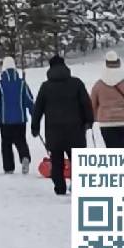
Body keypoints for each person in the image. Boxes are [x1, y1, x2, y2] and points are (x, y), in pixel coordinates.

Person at [31, 55, 94, 195]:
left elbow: (38, 109)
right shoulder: (77, 83)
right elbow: (86, 104)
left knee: (57, 161)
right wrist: (89, 120)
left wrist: (34, 126)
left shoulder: (45, 87)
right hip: (76, 130)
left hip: (54, 132)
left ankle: (60, 188)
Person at [0, 57, 34, 174]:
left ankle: (9, 168)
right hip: (20, 119)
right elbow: (29, 100)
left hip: (5, 121)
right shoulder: (22, 84)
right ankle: (24, 157)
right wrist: (34, 115)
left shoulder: (0, 84)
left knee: (6, 144)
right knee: (21, 140)